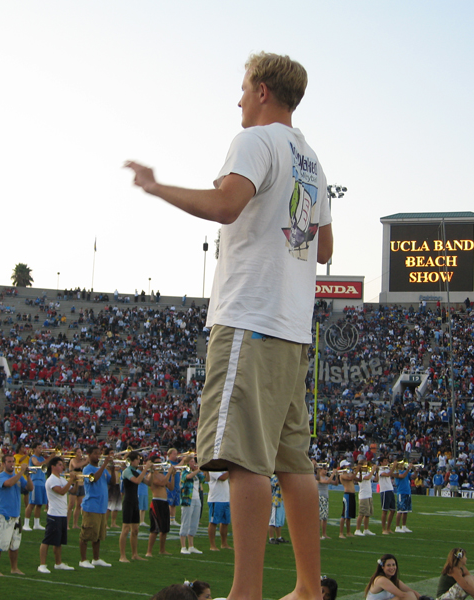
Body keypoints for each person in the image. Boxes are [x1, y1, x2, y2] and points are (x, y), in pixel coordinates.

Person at [126, 51, 333, 600]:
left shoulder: (255, 141)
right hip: (293, 328)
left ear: (263, 90)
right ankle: (309, 588)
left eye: (243, 87)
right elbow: (325, 246)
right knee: (294, 462)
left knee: (242, 457)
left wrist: (156, 187)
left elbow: (226, 205)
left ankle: (245, 593)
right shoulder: (312, 159)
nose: (238, 98)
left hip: (250, 316)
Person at [0, 453, 33, 576]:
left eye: (12, 462)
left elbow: (30, 488)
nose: (11, 464)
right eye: (9, 462)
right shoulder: (0, 477)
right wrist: (21, 473)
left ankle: (14, 568)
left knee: (15, 544)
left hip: (15, 515)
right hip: (3, 515)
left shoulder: (18, 476)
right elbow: (8, 484)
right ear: (3, 464)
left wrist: (28, 476)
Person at [37, 456, 77, 573]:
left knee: (58, 541)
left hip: (62, 514)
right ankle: (42, 565)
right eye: (60, 464)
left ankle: (58, 563)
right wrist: (71, 480)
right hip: (54, 514)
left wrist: (77, 482)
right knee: (47, 540)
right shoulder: (52, 480)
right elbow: (61, 491)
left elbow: (72, 491)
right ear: (53, 467)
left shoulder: (61, 479)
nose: (62, 466)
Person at [79, 446, 112, 568]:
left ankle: (96, 558)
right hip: (91, 506)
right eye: (95, 454)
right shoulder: (87, 469)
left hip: (101, 506)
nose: (98, 456)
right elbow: (93, 478)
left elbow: (112, 482)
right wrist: (104, 465)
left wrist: (112, 469)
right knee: (86, 535)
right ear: (88, 455)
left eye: (99, 453)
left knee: (97, 535)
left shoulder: (102, 469)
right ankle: (83, 560)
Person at [146, 458, 181, 557]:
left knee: (165, 529)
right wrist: (169, 473)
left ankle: (162, 550)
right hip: (156, 502)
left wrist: (173, 475)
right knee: (155, 529)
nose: (159, 465)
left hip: (164, 502)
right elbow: (161, 483)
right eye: (157, 463)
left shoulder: (162, 475)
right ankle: (149, 551)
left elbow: (170, 487)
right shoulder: (151, 475)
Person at [119, 452, 150, 562]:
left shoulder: (136, 472)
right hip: (128, 502)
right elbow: (137, 481)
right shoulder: (127, 471)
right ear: (132, 461)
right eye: (137, 459)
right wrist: (145, 469)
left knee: (135, 530)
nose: (139, 461)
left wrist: (153, 472)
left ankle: (134, 554)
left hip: (135, 502)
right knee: (126, 529)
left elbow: (148, 482)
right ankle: (122, 556)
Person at [178, 457, 205, 554]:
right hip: (187, 499)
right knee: (185, 521)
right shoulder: (185, 471)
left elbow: (206, 479)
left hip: (197, 499)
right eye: (192, 461)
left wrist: (206, 470)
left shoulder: (197, 474)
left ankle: (191, 545)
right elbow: (188, 477)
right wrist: (198, 470)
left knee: (194, 522)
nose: (194, 463)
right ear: (187, 463)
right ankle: (183, 546)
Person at [23, 444, 47, 531]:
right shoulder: (33, 457)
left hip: (42, 482)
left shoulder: (43, 458)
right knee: (31, 504)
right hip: (35, 482)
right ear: (34, 449)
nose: (41, 449)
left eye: (41, 447)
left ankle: (36, 523)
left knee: (39, 504)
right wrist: (51, 458)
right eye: (39, 447)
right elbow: (38, 464)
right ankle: (26, 524)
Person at [206, 471, 231, 551]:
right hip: (216, 499)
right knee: (213, 522)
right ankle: (212, 545)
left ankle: (224, 543)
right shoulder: (213, 469)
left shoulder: (224, 469)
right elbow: (222, 478)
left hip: (226, 499)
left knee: (225, 522)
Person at [315, 459, 336, 539]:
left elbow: (335, 483)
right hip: (320, 497)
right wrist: (333, 474)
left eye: (326, 469)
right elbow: (326, 482)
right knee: (320, 517)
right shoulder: (318, 477)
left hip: (326, 497)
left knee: (325, 517)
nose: (326, 471)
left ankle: (324, 534)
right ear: (320, 470)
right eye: (325, 469)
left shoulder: (327, 477)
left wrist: (336, 475)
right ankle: (318, 534)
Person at [68, 449, 88, 529]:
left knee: (79, 505)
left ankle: (75, 524)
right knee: (71, 505)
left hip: (81, 483)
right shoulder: (73, 460)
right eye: (79, 452)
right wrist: (86, 461)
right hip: (73, 484)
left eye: (81, 452)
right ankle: (66, 524)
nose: (81, 454)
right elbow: (76, 466)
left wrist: (86, 461)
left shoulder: (81, 461)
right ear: (75, 453)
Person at [356, 462, 378, 536]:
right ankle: (357, 529)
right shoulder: (359, 474)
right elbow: (367, 478)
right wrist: (373, 470)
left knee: (367, 514)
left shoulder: (367, 473)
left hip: (369, 495)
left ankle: (366, 529)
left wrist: (376, 471)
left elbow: (376, 479)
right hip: (363, 496)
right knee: (361, 513)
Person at [378, 457, 396, 535]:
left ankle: (388, 528)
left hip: (390, 489)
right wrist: (394, 466)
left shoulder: (387, 469)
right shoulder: (380, 470)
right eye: (385, 461)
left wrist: (395, 468)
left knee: (393, 510)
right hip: (384, 490)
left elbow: (394, 474)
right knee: (385, 510)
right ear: (381, 462)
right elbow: (388, 475)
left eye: (387, 461)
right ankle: (383, 529)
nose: (386, 462)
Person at [339, 461, 357, 538]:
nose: (349, 465)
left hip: (352, 495)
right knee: (344, 515)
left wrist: (358, 471)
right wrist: (356, 470)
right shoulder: (342, 475)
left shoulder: (350, 473)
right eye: (347, 465)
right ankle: (341, 533)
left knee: (349, 516)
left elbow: (358, 479)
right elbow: (350, 478)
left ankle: (348, 532)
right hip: (347, 495)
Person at [395, 463, 414, 533]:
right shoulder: (397, 472)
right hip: (401, 492)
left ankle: (404, 526)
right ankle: (397, 527)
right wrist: (408, 469)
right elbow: (402, 476)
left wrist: (416, 470)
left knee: (406, 511)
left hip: (407, 492)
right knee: (400, 510)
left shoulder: (406, 472)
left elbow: (413, 476)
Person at [268, 473, 286, 544]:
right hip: (275, 502)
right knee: (272, 521)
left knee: (279, 521)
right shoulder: (273, 477)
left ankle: (279, 537)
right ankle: (271, 538)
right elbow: (276, 483)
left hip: (281, 501)